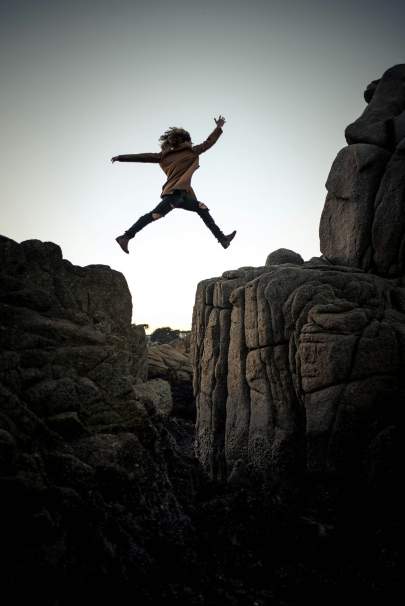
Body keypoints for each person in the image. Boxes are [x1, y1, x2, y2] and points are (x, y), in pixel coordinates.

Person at [112, 115, 236, 254]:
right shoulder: (190, 151)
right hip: (174, 194)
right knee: (155, 214)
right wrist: (218, 127)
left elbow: (143, 156)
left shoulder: (165, 155)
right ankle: (126, 236)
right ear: (185, 140)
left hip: (182, 195)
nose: (191, 142)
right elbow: (209, 142)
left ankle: (223, 239)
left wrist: (121, 158)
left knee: (202, 208)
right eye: (189, 140)